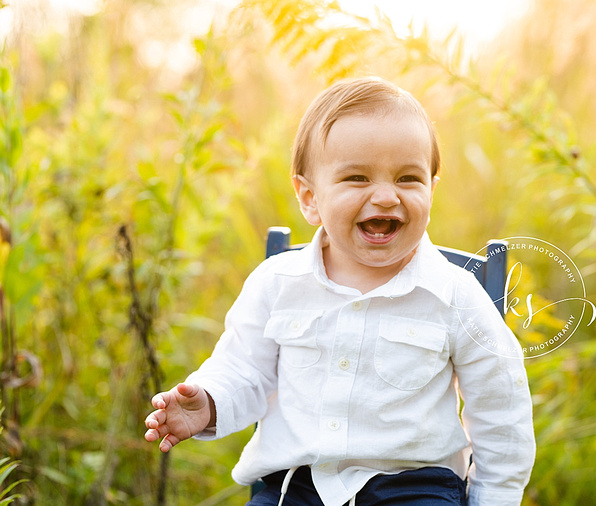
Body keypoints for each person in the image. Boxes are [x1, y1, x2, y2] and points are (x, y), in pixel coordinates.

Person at [142, 77, 536, 506]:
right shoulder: (277, 283)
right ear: (310, 198)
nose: (386, 197)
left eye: (408, 178)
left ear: (432, 190)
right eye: (356, 177)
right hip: (297, 487)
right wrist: (209, 403)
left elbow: (501, 410)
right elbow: (243, 371)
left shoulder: (454, 295)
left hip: (413, 488)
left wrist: (491, 498)